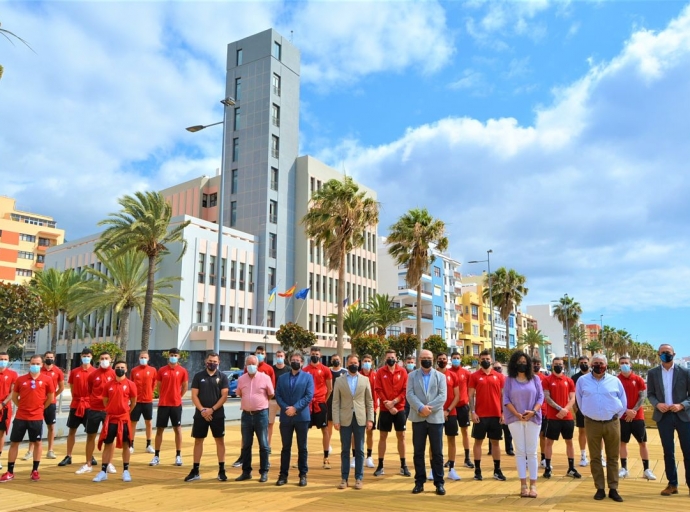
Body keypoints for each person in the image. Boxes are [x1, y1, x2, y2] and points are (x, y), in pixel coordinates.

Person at [575, 354, 626, 502]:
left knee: (613, 457)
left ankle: (613, 488)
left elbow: (622, 400)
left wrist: (615, 415)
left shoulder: (615, 381)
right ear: (591, 365)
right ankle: (600, 488)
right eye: (596, 363)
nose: (599, 365)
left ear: (606, 365)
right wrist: (588, 414)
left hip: (612, 423)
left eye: (601, 363)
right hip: (592, 423)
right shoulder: (582, 381)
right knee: (595, 457)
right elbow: (579, 400)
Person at [0, 355, 55, 482]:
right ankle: (10, 471)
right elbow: (15, 396)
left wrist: (40, 408)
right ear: (29, 364)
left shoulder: (46, 379)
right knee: (14, 443)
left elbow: (50, 397)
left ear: (41, 365)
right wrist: (22, 407)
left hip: (36, 417)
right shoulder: (21, 379)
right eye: (32, 363)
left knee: (37, 443)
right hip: (21, 417)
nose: (34, 365)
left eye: (37, 363)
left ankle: (35, 470)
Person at [646, 343, 690, 497]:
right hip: (663, 416)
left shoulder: (685, 372)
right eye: (663, 352)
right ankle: (672, 484)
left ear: (674, 354)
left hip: (683, 416)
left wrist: (682, 405)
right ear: (658, 355)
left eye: (668, 352)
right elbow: (650, 394)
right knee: (668, 451)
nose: (666, 354)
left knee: (688, 451)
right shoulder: (652, 373)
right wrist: (657, 404)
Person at [502, 351, 544, 498]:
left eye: (524, 361)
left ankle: (533, 485)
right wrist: (517, 414)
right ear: (514, 363)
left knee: (531, 452)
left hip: (533, 418)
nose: (522, 364)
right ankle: (523, 485)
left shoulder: (535, 379)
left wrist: (533, 411)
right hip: (515, 419)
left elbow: (540, 397)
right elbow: (506, 399)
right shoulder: (509, 380)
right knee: (520, 452)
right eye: (519, 361)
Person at [407, 349, 447, 496]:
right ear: (419, 359)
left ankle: (439, 483)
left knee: (437, 452)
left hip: (435, 418)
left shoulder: (440, 377)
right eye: (423, 358)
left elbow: (443, 396)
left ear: (433, 359)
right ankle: (419, 482)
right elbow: (409, 394)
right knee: (418, 452)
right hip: (418, 418)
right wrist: (420, 407)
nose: (426, 360)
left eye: (429, 358)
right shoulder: (412, 376)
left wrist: (428, 408)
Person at [185, 352, 229, 482]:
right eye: (210, 361)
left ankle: (221, 470)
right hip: (200, 415)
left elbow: (224, 396)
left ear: (219, 362)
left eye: (215, 361)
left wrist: (212, 410)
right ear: (206, 361)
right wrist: (203, 410)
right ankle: (195, 470)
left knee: (219, 441)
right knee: (198, 441)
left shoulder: (223, 377)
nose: (212, 363)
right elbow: (194, 395)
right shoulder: (199, 376)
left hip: (218, 414)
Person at [333, 354, 374, 490]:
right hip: (345, 418)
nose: (353, 364)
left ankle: (359, 478)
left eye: (356, 362)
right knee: (345, 449)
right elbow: (336, 402)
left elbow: (369, 401)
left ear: (359, 364)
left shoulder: (365, 380)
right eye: (351, 362)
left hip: (360, 418)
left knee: (360, 449)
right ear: (347, 363)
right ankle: (344, 478)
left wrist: (370, 419)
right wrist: (336, 420)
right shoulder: (339, 381)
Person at [92, 360, 137, 483]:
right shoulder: (108, 385)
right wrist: (111, 409)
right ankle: (103, 471)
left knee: (126, 445)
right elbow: (105, 400)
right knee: (108, 444)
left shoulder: (130, 384)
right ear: (114, 368)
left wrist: (126, 411)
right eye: (117, 367)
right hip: (111, 418)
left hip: (124, 419)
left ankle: (126, 471)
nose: (120, 369)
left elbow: (133, 402)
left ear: (126, 369)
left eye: (122, 367)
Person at [232, 346, 276, 468]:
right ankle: (246, 471)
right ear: (245, 365)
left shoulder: (266, 375)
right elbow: (239, 393)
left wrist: (260, 402)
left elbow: (271, 393)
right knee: (246, 444)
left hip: (261, 414)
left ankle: (264, 469)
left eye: (253, 363)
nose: (251, 365)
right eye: (249, 364)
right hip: (246, 414)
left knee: (263, 443)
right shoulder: (241, 378)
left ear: (257, 364)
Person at [275, 352, 314, 487]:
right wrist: (287, 408)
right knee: (286, 447)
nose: (295, 362)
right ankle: (283, 475)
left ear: (302, 363)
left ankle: (303, 475)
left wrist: (295, 408)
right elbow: (278, 395)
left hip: (302, 417)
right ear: (289, 361)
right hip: (286, 417)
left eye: (298, 360)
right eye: (293, 360)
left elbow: (309, 396)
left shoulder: (308, 378)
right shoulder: (282, 378)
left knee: (302, 448)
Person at [76, 351, 116, 476]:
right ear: (99, 360)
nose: (104, 360)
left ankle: (108, 463)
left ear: (111, 360)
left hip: (108, 411)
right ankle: (88, 463)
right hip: (93, 410)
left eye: (106, 358)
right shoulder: (93, 375)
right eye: (102, 358)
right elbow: (89, 390)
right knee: (90, 436)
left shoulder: (115, 374)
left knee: (110, 438)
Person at [469, 349, 506, 481]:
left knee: (495, 443)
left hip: (496, 415)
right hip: (480, 415)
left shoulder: (499, 376)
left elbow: (503, 396)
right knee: (478, 442)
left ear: (491, 360)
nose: (485, 361)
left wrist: (503, 413)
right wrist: (473, 412)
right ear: (479, 360)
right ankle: (478, 471)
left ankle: (497, 470)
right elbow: (471, 396)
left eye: (487, 359)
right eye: (483, 359)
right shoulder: (474, 376)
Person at [617, 355, 655, 480]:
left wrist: (633, 411)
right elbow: (614, 398)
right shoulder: (616, 380)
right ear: (619, 365)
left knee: (642, 443)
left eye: (626, 362)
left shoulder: (638, 379)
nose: (624, 364)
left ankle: (646, 470)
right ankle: (624, 468)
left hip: (638, 417)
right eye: (622, 363)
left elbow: (642, 397)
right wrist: (625, 411)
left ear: (630, 364)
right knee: (622, 443)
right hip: (622, 417)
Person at [542, 356, 581, 479]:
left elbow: (573, 398)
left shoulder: (569, 381)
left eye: (560, 364)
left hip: (567, 417)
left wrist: (565, 410)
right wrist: (560, 409)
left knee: (569, 442)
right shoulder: (547, 380)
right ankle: (548, 468)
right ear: (552, 365)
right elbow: (547, 398)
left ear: (563, 366)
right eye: (556, 364)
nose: (558, 366)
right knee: (549, 442)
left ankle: (571, 468)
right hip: (553, 417)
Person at [373, 349, 410, 477]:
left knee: (402, 436)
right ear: (385, 358)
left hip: (399, 408)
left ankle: (403, 465)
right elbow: (378, 389)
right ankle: (380, 465)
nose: (390, 359)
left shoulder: (403, 371)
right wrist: (387, 404)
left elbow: (405, 390)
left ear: (396, 358)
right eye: (388, 357)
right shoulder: (380, 372)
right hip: (385, 409)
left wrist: (394, 402)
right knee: (382, 436)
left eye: (392, 357)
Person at [150, 348, 188, 467]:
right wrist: (165, 396)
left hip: (176, 405)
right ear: (168, 356)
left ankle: (178, 455)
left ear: (179, 357)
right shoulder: (162, 370)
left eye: (175, 355)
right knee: (160, 430)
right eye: (171, 355)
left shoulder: (182, 371)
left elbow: (185, 386)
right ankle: (156, 456)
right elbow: (159, 387)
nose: (173, 357)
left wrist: (177, 397)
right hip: (163, 404)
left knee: (177, 429)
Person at [58, 348, 95, 467]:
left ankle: (90, 456)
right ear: (81, 357)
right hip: (76, 404)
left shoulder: (95, 372)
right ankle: (68, 455)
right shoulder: (75, 372)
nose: (86, 357)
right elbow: (72, 387)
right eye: (84, 355)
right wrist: (77, 399)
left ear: (91, 357)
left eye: (88, 355)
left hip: (89, 405)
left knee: (90, 433)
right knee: (71, 431)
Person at [24, 351, 64, 461]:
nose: (49, 359)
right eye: (47, 357)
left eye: (51, 357)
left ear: (54, 358)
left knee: (51, 426)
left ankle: (50, 450)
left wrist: (52, 396)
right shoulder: (38, 369)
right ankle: (30, 451)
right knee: (35, 427)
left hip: (50, 404)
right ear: (43, 359)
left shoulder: (58, 371)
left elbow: (61, 387)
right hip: (38, 404)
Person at [302, 346, 333, 469]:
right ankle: (303, 458)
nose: (314, 355)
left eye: (317, 353)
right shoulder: (304, 370)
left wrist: (322, 401)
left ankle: (326, 458)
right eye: (313, 353)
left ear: (320, 355)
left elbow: (330, 389)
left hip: (320, 404)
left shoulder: (325, 370)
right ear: (310, 354)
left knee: (325, 430)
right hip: (308, 405)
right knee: (304, 430)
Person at [432, 352, 460, 481]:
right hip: (435, 414)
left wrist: (448, 410)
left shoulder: (453, 375)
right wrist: (439, 411)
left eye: (444, 359)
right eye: (440, 359)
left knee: (451, 440)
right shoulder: (432, 375)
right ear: (436, 361)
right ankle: (433, 470)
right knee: (434, 443)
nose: (442, 361)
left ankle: (452, 469)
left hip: (451, 413)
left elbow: (457, 396)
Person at [449, 351, 474, 468]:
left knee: (465, 432)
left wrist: (468, 402)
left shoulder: (466, 373)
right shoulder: (447, 373)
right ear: (451, 359)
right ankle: (450, 459)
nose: (456, 359)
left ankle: (467, 458)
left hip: (463, 407)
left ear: (461, 359)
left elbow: (470, 389)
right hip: (451, 408)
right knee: (451, 435)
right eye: (454, 358)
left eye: (457, 358)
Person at [130, 351, 156, 454]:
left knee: (148, 422)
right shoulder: (134, 370)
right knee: (133, 423)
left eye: (145, 357)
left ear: (148, 358)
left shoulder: (153, 370)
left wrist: (150, 393)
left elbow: (154, 383)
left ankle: (148, 444)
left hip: (147, 401)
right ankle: (131, 444)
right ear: (139, 358)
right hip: (136, 401)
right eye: (141, 357)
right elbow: (131, 384)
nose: (143, 359)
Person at [489, 362, 514, 457]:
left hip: (506, 408)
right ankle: (491, 449)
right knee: (492, 430)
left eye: (499, 368)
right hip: (494, 408)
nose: (497, 369)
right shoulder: (490, 378)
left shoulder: (507, 379)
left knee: (507, 431)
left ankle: (509, 449)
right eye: (495, 368)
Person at [571, 355, 592, 467]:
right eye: (581, 362)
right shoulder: (575, 377)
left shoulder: (594, 375)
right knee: (582, 432)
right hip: (581, 410)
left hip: (594, 409)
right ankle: (583, 456)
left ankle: (600, 456)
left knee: (597, 433)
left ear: (589, 363)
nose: (584, 364)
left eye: (585, 362)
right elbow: (572, 394)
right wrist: (575, 408)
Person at [359, 354, 378, 468]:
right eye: (365, 361)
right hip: (358, 408)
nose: (367, 362)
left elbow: (376, 394)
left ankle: (369, 456)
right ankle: (356, 456)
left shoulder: (375, 375)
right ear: (362, 362)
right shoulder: (357, 375)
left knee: (370, 432)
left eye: (368, 361)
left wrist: (373, 408)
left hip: (371, 408)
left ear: (372, 362)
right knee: (356, 433)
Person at [325, 354, 346, 458]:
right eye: (334, 360)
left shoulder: (345, 372)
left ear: (341, 360)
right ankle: (327, 446)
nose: (336, 361)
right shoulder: (327, 371)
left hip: (342, 402)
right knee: (329, 424)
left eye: (337, 359)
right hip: (329, 401)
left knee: (341, 425)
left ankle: (344, 447)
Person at [0, 352, 19, 469]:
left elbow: (13, 392)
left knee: (1, 434)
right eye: (1, 359)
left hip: (4, 408)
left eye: (5, 359)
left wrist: (3, 403)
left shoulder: (13, 374)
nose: (3, 361)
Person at [269, 349, 290, 448]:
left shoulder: (289, 370)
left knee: (285, 424)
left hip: (285, 401)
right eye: (278, 356)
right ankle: (267, 446)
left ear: (284, 357)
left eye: (281, 356)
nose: (279, 357)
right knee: (270, 423)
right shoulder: (271, 369)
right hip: (272, 400)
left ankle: (285, 445)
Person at [532, 357, 548, 467]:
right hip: (530, 411)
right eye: (534, 364)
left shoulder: (545, 378)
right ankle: (530, 458)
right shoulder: (527, 378)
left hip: (543, 411)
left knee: (543, 436)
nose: (536, 365)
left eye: (538, 363)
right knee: (531, 437)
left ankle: (543, 458)